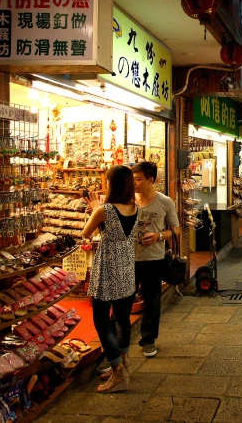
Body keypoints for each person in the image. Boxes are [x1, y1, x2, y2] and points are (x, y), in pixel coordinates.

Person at [81, 165, 138, 393]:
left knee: (102, 321)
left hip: (107, 267)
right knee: (123, 317)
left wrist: (95, 208)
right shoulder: (135, 207)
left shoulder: (104, 210)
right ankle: (123, 360)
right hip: (126, 265)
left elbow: (87, 233)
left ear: (112, 184)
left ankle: (117, 372)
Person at [128, 162, 182, 358]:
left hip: (154, 259)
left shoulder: (165, 202)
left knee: (152, 301)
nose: (134, 183)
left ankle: (148, 340)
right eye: (132, 179)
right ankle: (119, 345)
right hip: (128, 259)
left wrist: (158, 236)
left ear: (150, 180)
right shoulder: (127, 200)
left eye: (138, 179)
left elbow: (176, 229)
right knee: (123, 302)